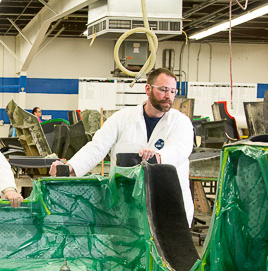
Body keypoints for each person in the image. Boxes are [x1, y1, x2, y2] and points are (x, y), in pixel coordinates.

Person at [49, 68, 194, 226]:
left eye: (173, 91)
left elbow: (179, 150)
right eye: (163, 89)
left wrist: (156, 157)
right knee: (127, 247)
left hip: (168, 205)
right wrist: (70, 167)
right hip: (128, 204)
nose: (169, 96)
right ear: (148, 88)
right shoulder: (122, 118)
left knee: (166, 249)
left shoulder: (180, 122)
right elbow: (97, 146)